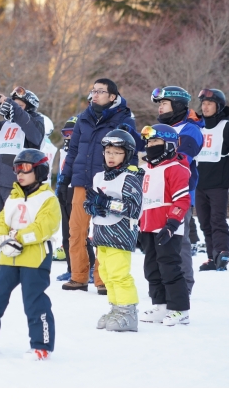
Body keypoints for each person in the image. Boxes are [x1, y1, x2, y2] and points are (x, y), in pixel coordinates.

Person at [0, 149, 60, 361]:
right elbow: (0, 223)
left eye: (26, 168)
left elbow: (44, 228)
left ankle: (41, 345)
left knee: (34, 301)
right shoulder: (12, 197)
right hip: (8, 258)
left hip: (35, 259)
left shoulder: (48, 199)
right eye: (17, 169)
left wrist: (18, 238)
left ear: (39, 171)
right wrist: (2, 239)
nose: (20, 173)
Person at [56, 78, 136, 294]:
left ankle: (103, 280)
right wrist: (65, 178)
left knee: (103, 232)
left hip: (107, 184)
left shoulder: (124, 118)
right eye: (94, 90)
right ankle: (79, 277)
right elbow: (73, 151)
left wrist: (128, 180)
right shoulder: (83, 118)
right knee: (76, 231)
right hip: (81, 181)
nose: (95, 94)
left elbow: (131, 151)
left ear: (112, 96)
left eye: (101, 91)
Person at [0, 86, 45, 273]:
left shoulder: (35, 122)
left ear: (28, 107)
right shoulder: (3, 126)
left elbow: (34, 134)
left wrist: (13, 106)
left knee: (17, 223)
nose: (11, 108)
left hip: (17, 183)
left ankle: (22, 257)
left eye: (18, 105)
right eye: (10, 105)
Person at [85, 129, 143, 332]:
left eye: (117, 152)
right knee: (106, 273)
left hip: (120, 234)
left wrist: (108, 203)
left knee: (119, 274)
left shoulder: (130, 178)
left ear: (126, 154)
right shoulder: (99, 177)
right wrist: (93, 206)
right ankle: (116, 308)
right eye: (108, 151)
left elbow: (133, 209)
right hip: (101, 233)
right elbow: (89, 202)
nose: (111, 156)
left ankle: (128, 312)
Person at [137, 124, 192, 326]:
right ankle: (160, 305)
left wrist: (171, 224)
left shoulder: (175, 168)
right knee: (151, 267)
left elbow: (182, 200)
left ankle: (179, 309)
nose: (150, 146)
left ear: (168, 145)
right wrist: (139, 226)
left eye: (156, 142)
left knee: (169, 267)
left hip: (168, 228)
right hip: (148, 227)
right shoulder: (146, 170)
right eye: (149, 142)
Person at [195, 89, 229, 271]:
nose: (205, 107)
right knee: (204, 222)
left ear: (218, 106)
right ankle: (211, 257)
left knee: (218, 220)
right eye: (203, 104)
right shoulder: (197, 127)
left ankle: (222, 252)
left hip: (218, 184)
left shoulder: (228, 129)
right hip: (199, 184)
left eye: (209, 104)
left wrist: (225, 171)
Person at [55, 116, 97, 282]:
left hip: (78, 190)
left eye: (72, 133)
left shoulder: (84, 151)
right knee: (67, 234)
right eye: (66, 133)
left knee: (80, 232)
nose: (68, 137)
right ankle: (71, 267)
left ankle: (90, 266)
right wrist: (60, 188)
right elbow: (61, 171)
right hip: (64, 191)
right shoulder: (64, 151)